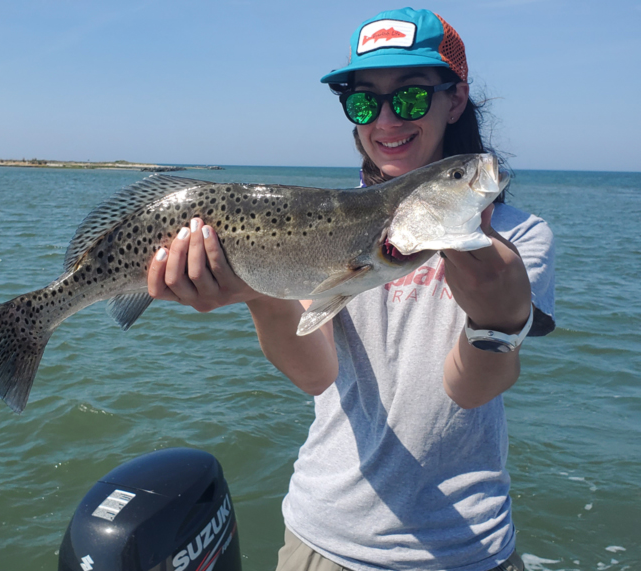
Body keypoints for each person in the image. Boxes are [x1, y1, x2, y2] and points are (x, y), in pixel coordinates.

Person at [147, 8, 555, 571]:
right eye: (364, 102)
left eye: (410, 97)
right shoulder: (321, 222)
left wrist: (497, 323)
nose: (385, 120)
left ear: (455, 100)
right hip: (322, 538)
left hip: (466, 549)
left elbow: (469, 391)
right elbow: (316, 375)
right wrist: (259, 292)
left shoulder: (520, 239)